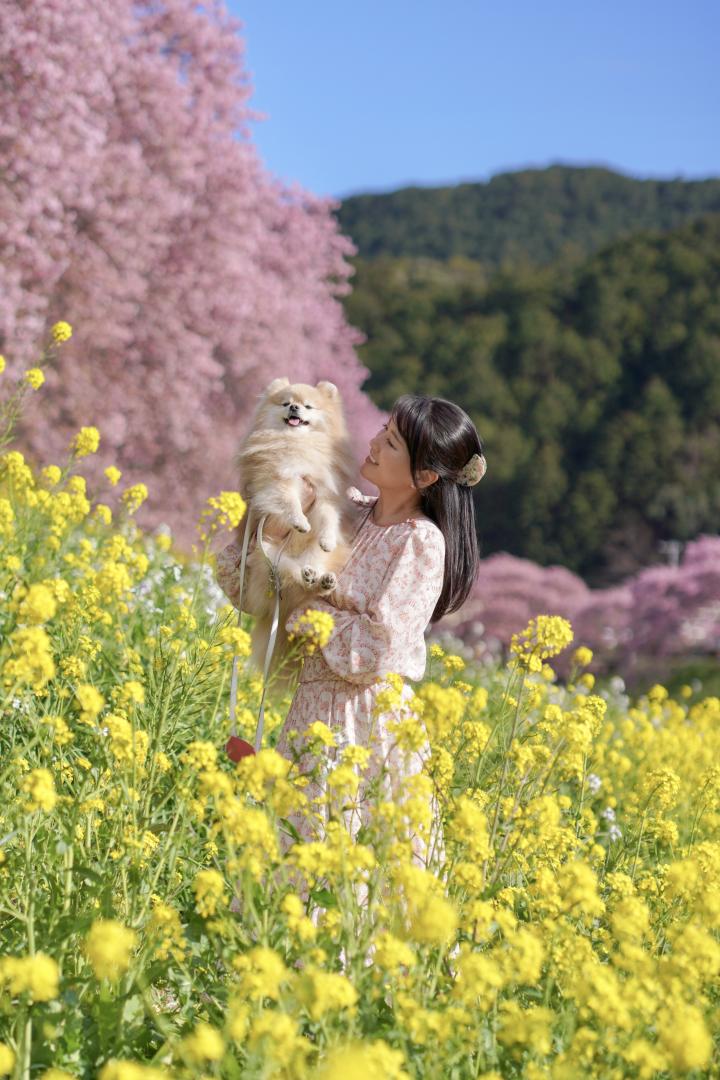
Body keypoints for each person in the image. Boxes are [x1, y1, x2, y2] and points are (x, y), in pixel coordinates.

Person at [215, 394, 487, 858]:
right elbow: (241, 587)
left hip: (363, 725)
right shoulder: (343, 513)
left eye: (393, 442)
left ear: (424, 476)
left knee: (346, 866)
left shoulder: (419, 543)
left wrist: (311, 613)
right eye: (383, 428)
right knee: (295, 860)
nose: (376, 441)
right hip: (310, 716)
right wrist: (267, 513)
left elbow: (376, 649)